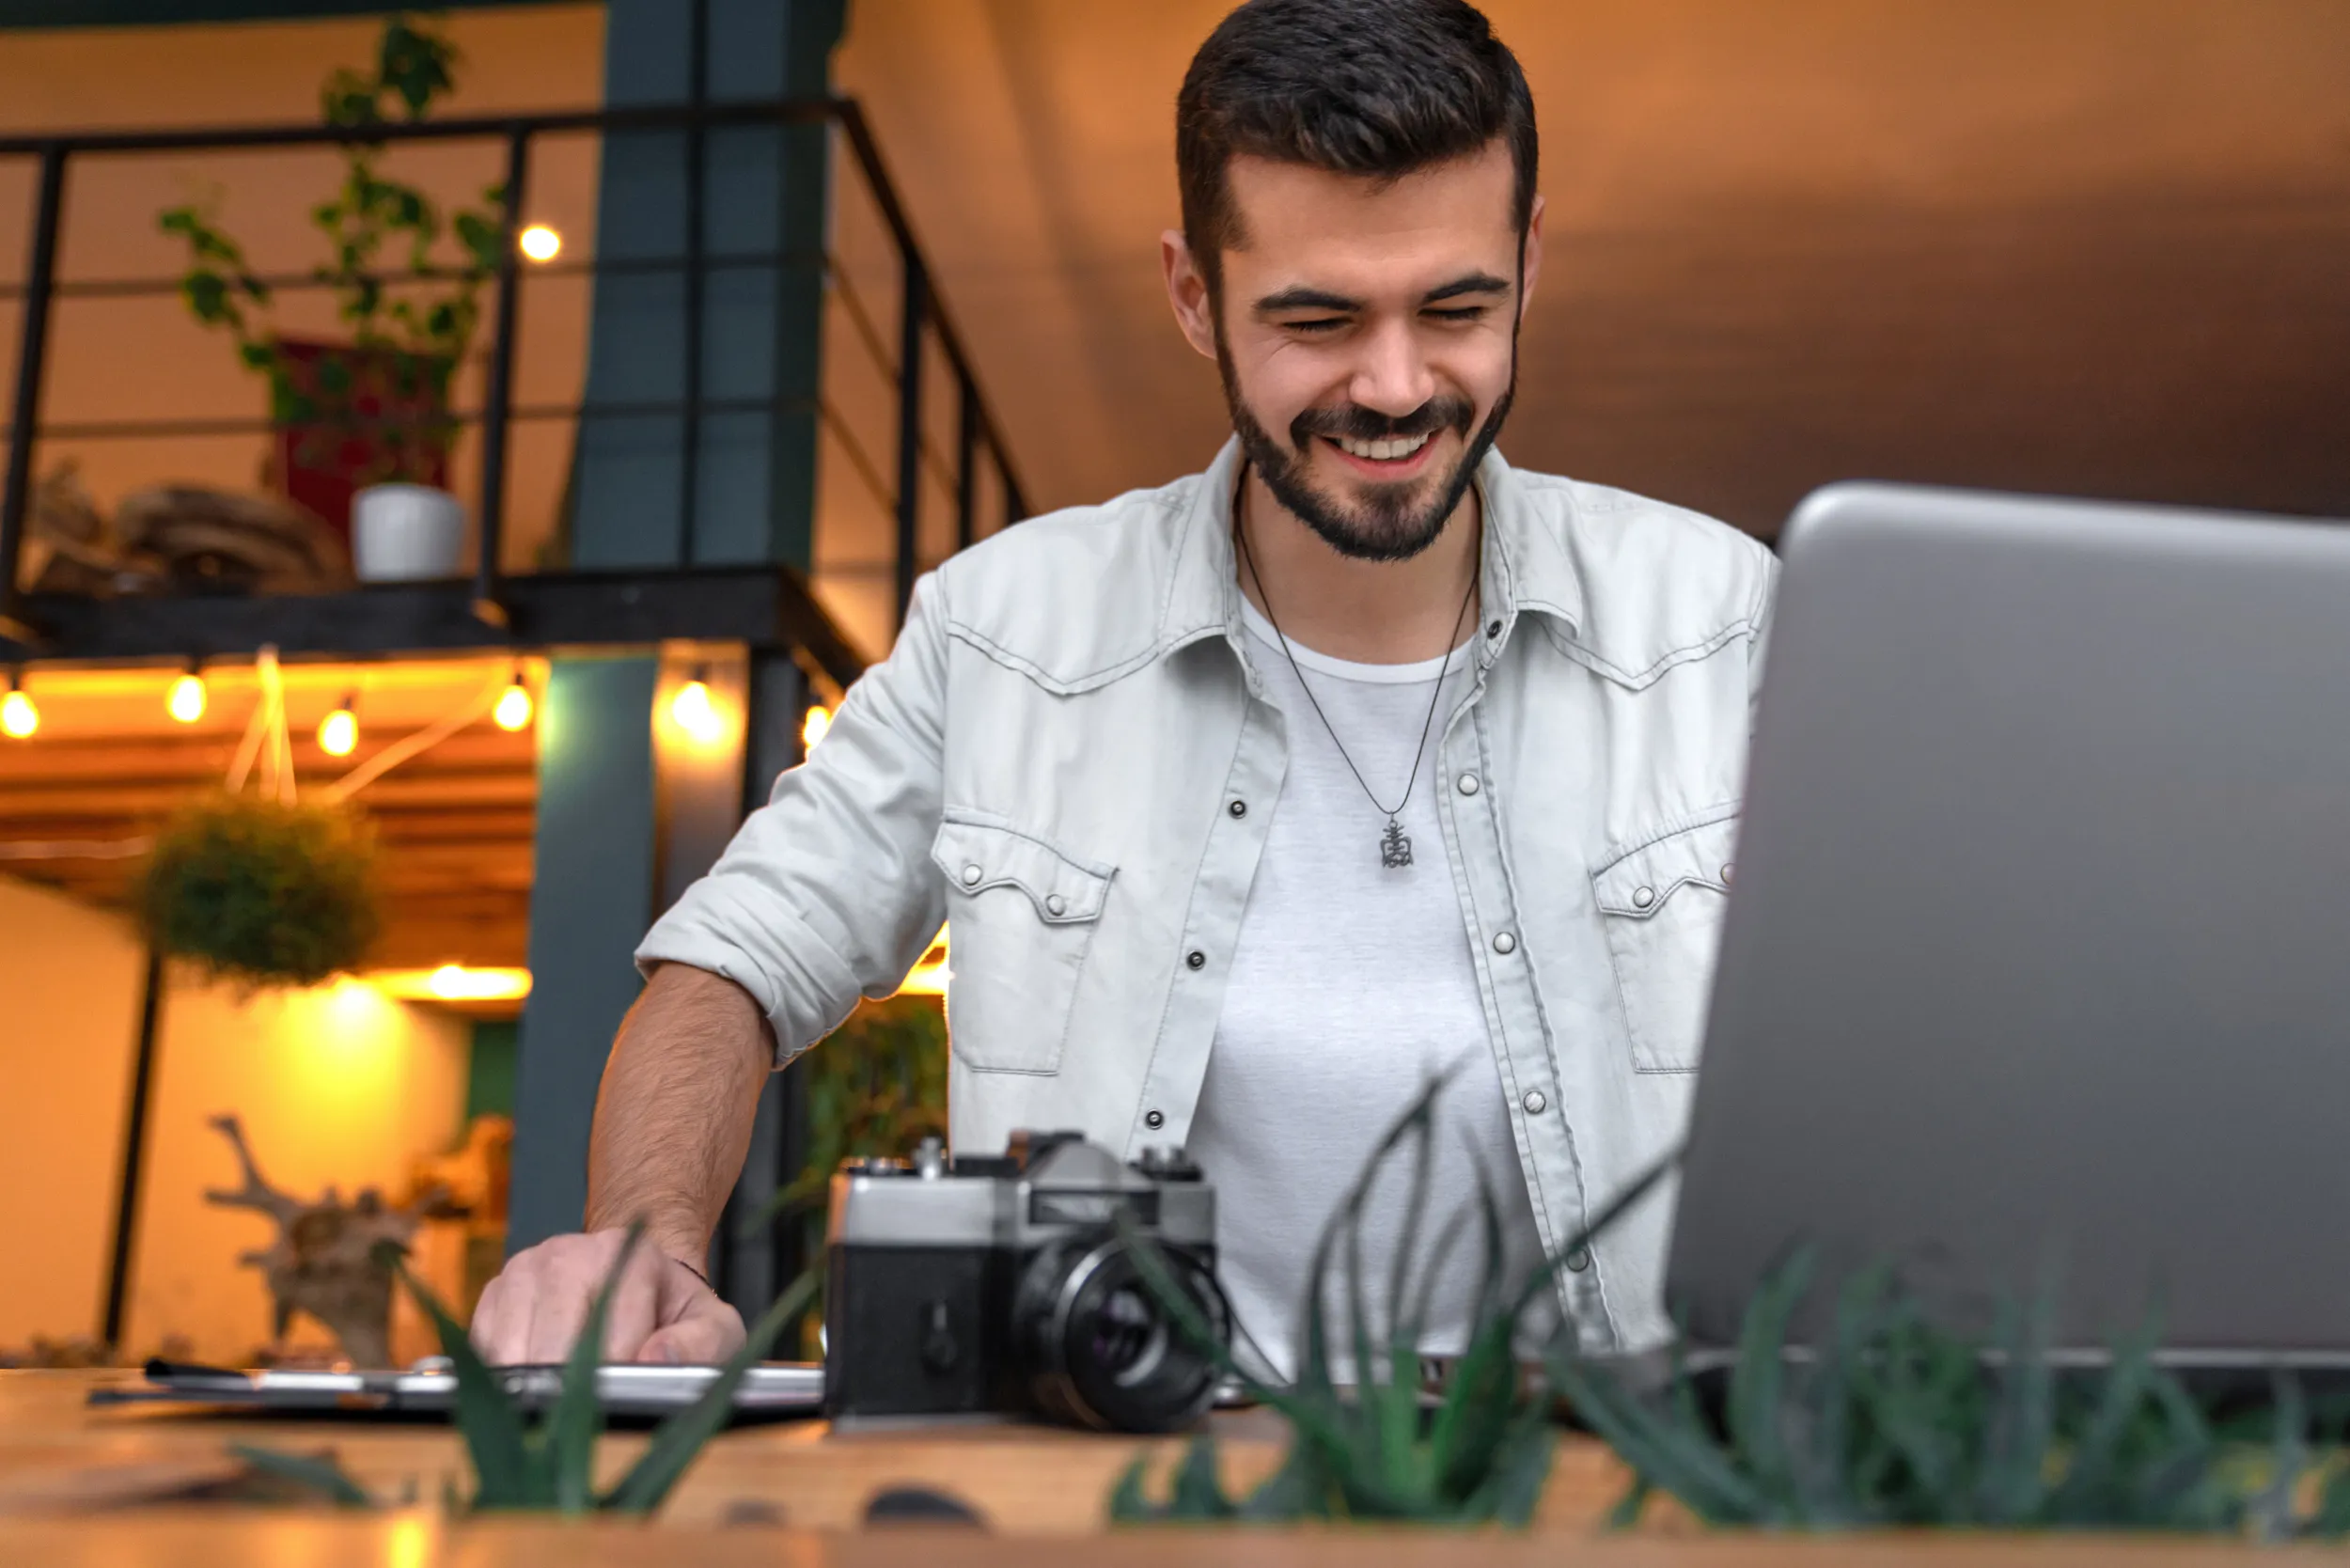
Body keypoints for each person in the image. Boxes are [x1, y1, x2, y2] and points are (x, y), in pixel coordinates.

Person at [472, 0, 1774, 1375]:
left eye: (1458, 308)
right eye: (1317, 319)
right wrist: (641, 1244)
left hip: (1610, 1490)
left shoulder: (1724, 620)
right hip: (1129, 1486)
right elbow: (729, 970)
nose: (1396, 385)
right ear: (1194, 296)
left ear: (1530, 260)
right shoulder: (1001, 631)